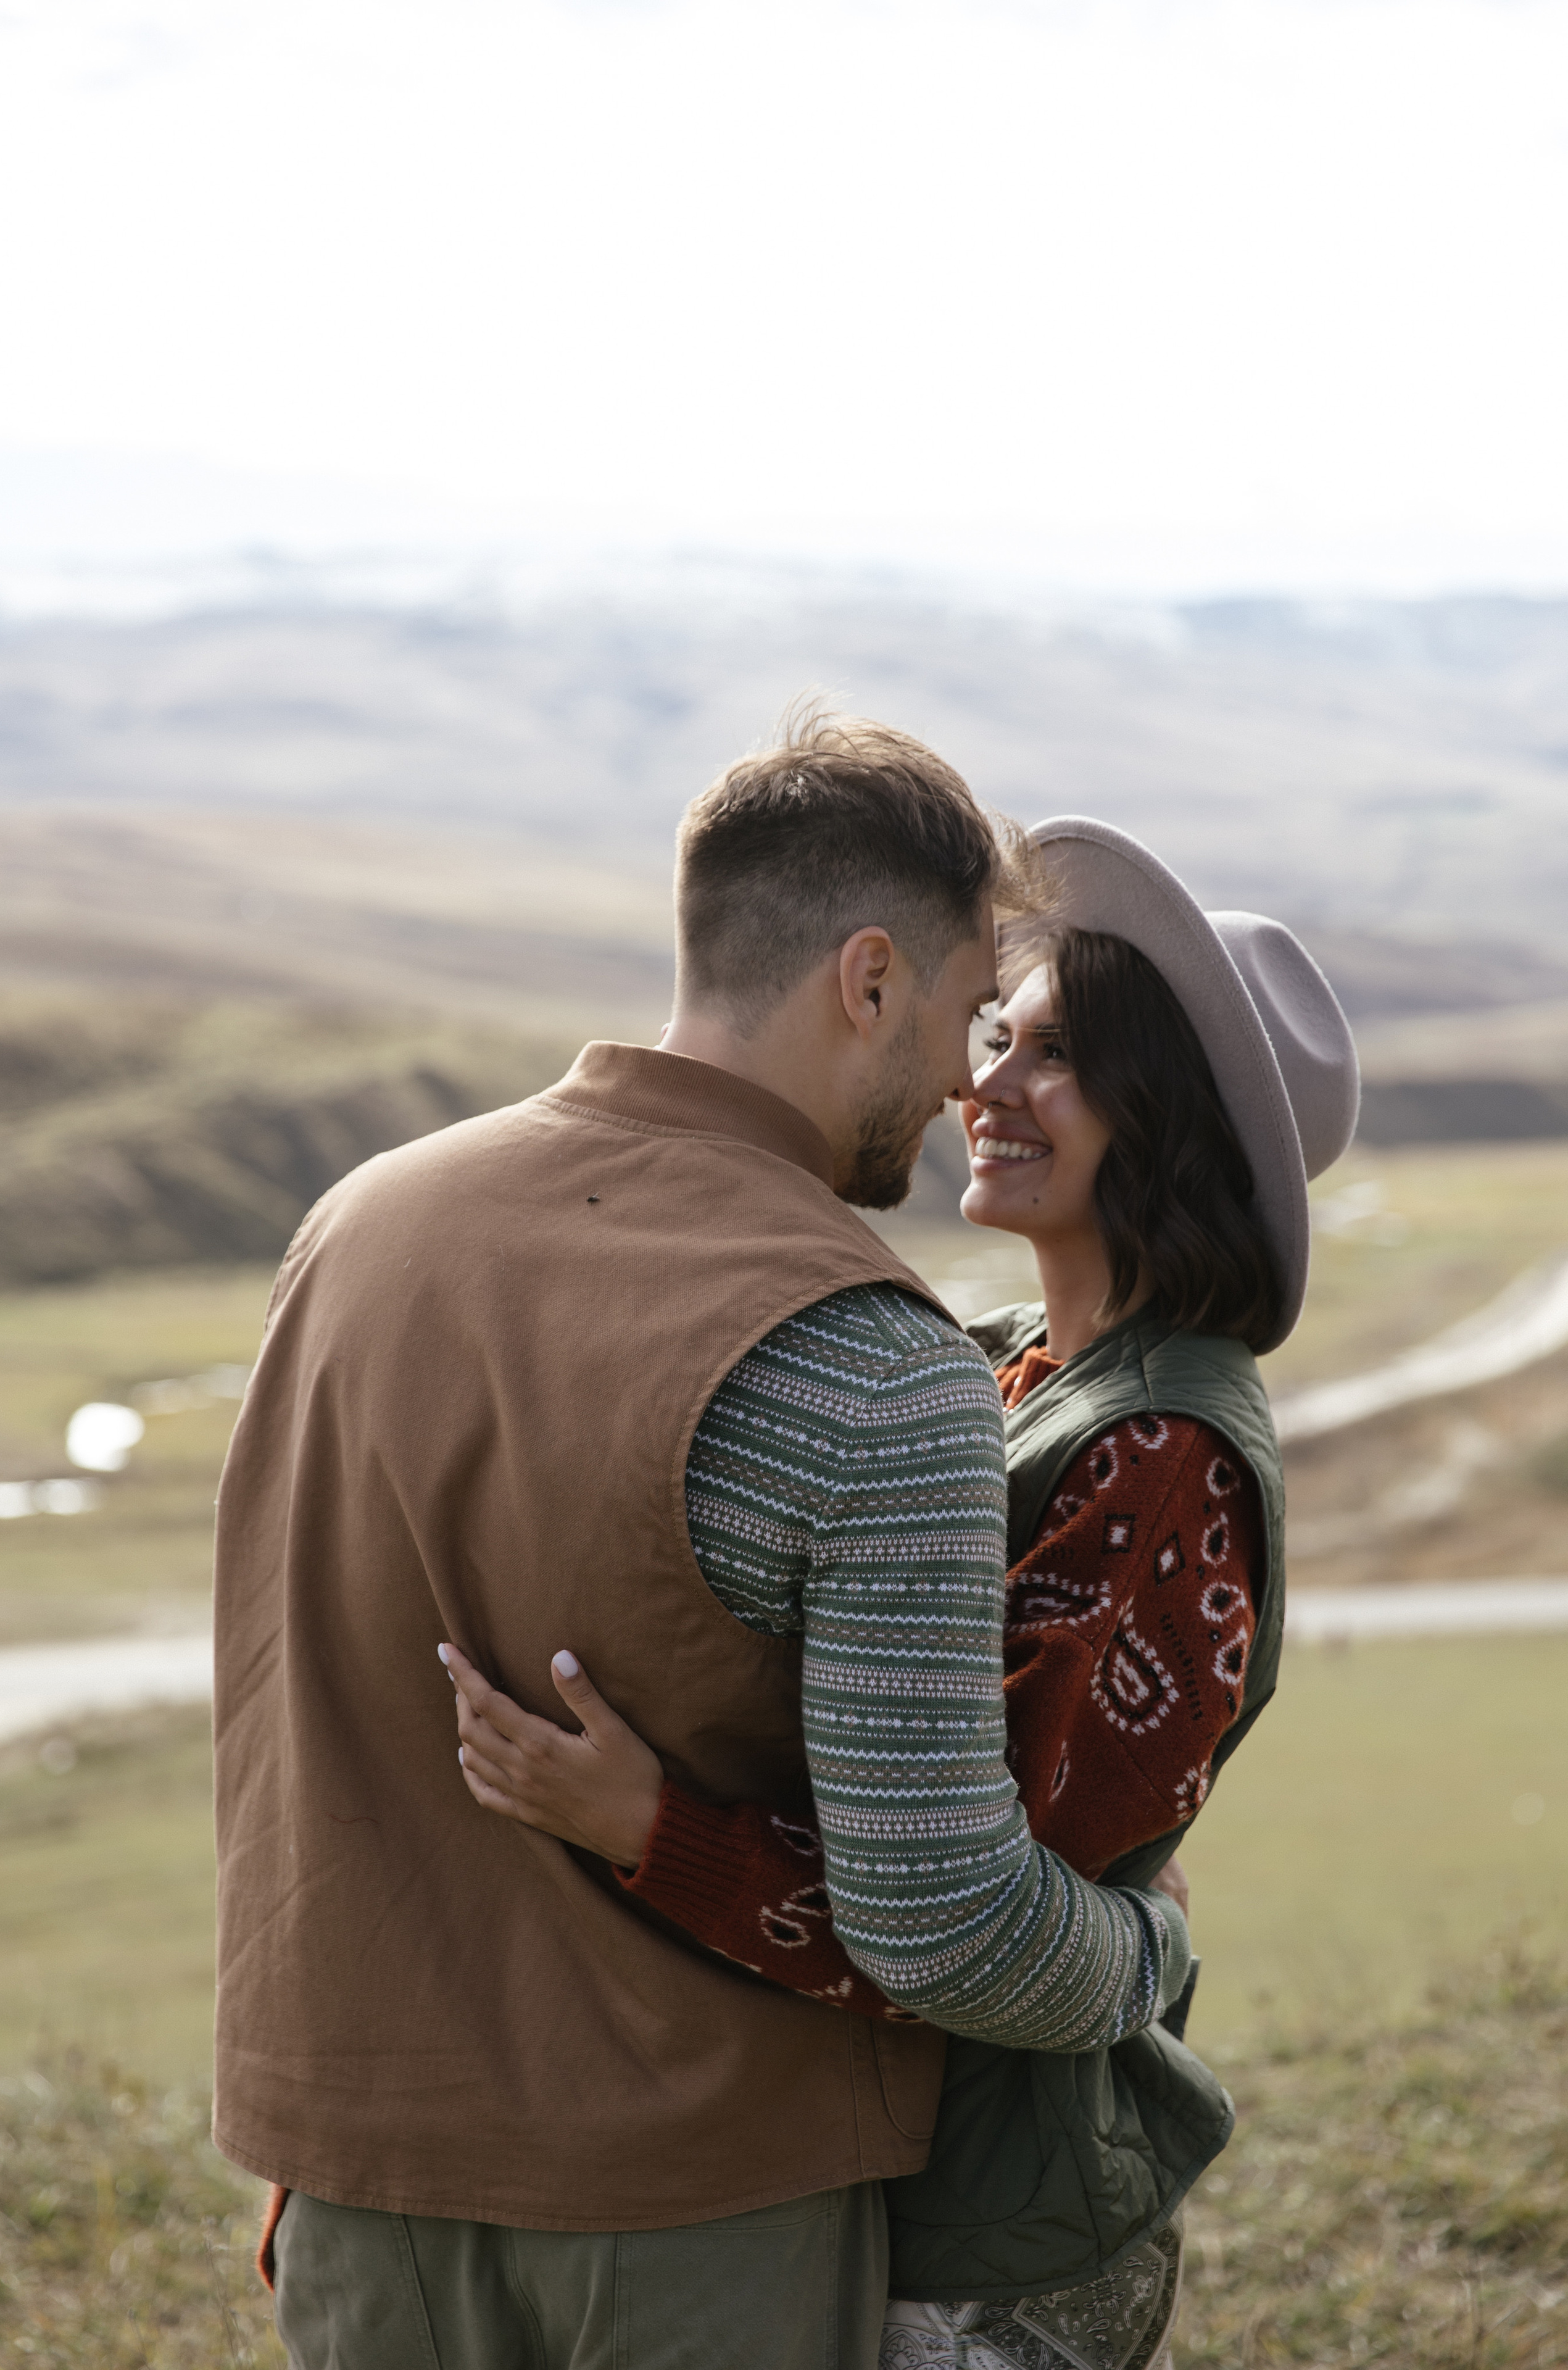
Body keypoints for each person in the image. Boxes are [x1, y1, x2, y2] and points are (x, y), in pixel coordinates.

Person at [218, 720, 1200, 2370]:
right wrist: (1144, 1948)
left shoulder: (358, 1228)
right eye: (970, 1017)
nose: (973, 1086)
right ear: (867, 982)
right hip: (697, 2218)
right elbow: (942, 1921)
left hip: (349, 2177)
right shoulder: (876, 1367)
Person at [437, 817, 1361, 2370]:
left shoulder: (1162, 1468)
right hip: (901, 2174)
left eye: (1053, 1057)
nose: (981, 1086)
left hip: (996, 2233)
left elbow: (954, 1926)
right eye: (997, 1033)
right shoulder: (1012, 1357)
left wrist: (645, 1832)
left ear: (1170, 1123)